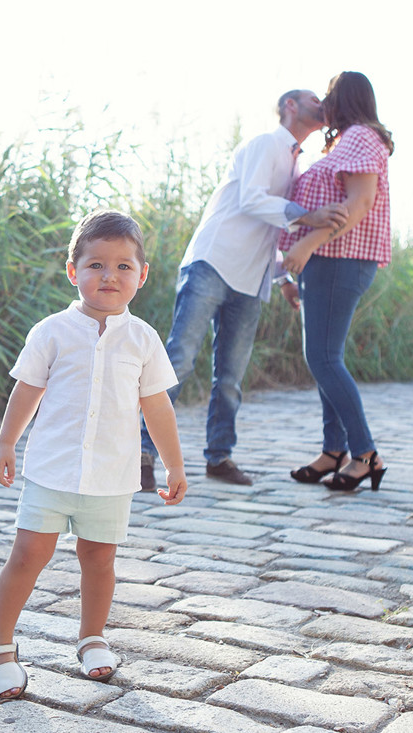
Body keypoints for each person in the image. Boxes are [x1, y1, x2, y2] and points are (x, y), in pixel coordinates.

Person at [0, 209, 189, 700]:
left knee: (99, 558)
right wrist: (6, 442)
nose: (109, 276)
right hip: (52, 469)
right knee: (29, 555)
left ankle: (92, 638)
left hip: (113, 475)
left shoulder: (142, 339)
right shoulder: (52, 331)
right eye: (96, 265)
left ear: (141, 276)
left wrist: (174, 462)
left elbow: (156, 406)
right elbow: (27, 391)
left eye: (123, 266)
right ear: (73, 271)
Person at [139, 89, 348, 489]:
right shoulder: (265, 143)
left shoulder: (296, 165)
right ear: (290, 105)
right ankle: (143, 452)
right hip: (213, 263)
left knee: (231, 378)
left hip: (251, 279)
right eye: (312, 97)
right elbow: (253, 200)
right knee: (179, 359)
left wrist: (283, 278)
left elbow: (267, 229)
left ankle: (219, 458)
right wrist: (310, 216)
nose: (322, 103)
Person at [280, 71, 394, 492]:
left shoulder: (362, 136)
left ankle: (365, 454)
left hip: (341, 258)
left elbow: (360, 202)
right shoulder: (345, 140)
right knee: (325, 358)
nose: (324, 103)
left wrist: (307, 244)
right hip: (327, 261)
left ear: (344, 98)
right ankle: (334, 451)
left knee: (324, 359)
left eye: (329, 95)